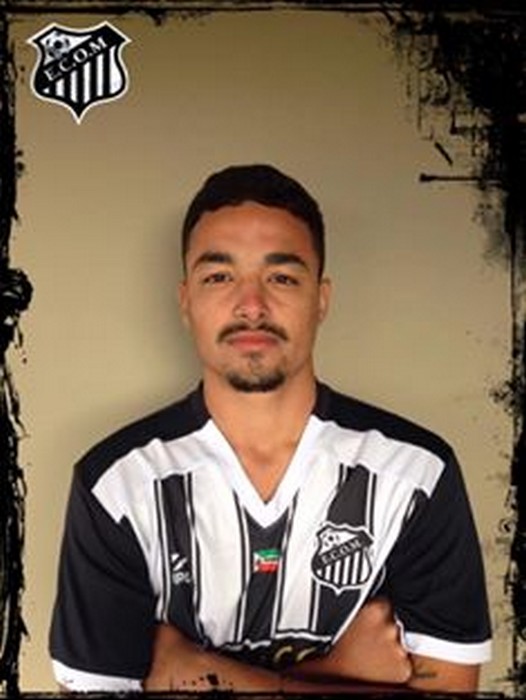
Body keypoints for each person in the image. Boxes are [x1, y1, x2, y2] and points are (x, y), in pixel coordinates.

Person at [49, 164, 492, 693]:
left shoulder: (415, 475)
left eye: (282, 277)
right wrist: (334, 673)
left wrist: (188, 673)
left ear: (321, 299)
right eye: (219, 277)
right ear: (186, 300)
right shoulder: (117, 486)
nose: (251, 306)